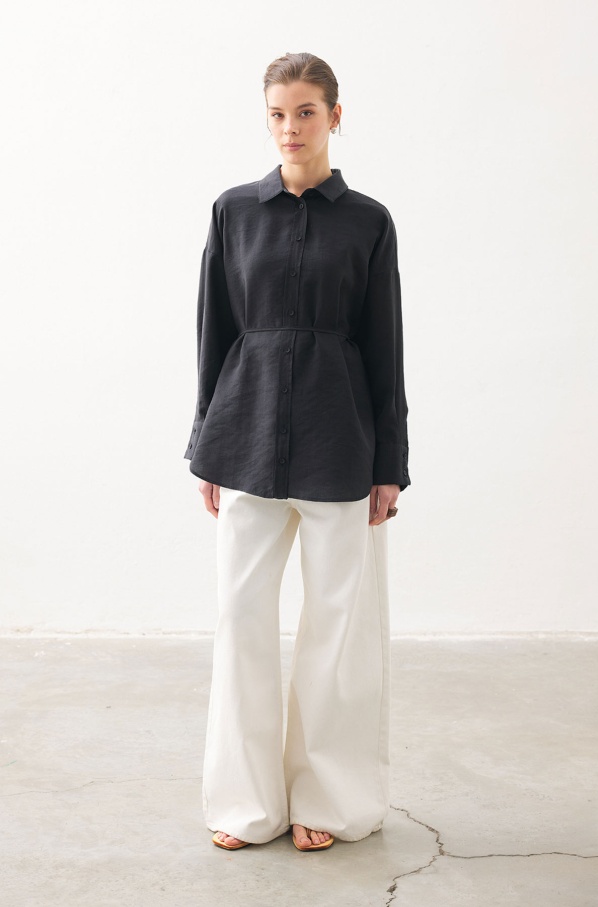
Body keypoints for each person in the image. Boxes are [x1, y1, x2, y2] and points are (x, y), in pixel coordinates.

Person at [184, 51, 410, 853]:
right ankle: (246, 803)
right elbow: (215, 332)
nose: (291, 128)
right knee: (240, 621)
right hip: (244, 439)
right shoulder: (233, 212)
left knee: (337, 631)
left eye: (306, 111)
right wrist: (205, 441)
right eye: (278, 114)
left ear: (334, 117)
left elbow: (385, 347)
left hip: (340, 444)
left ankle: (330, 798)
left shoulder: (370, 221)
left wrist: (390, 465)